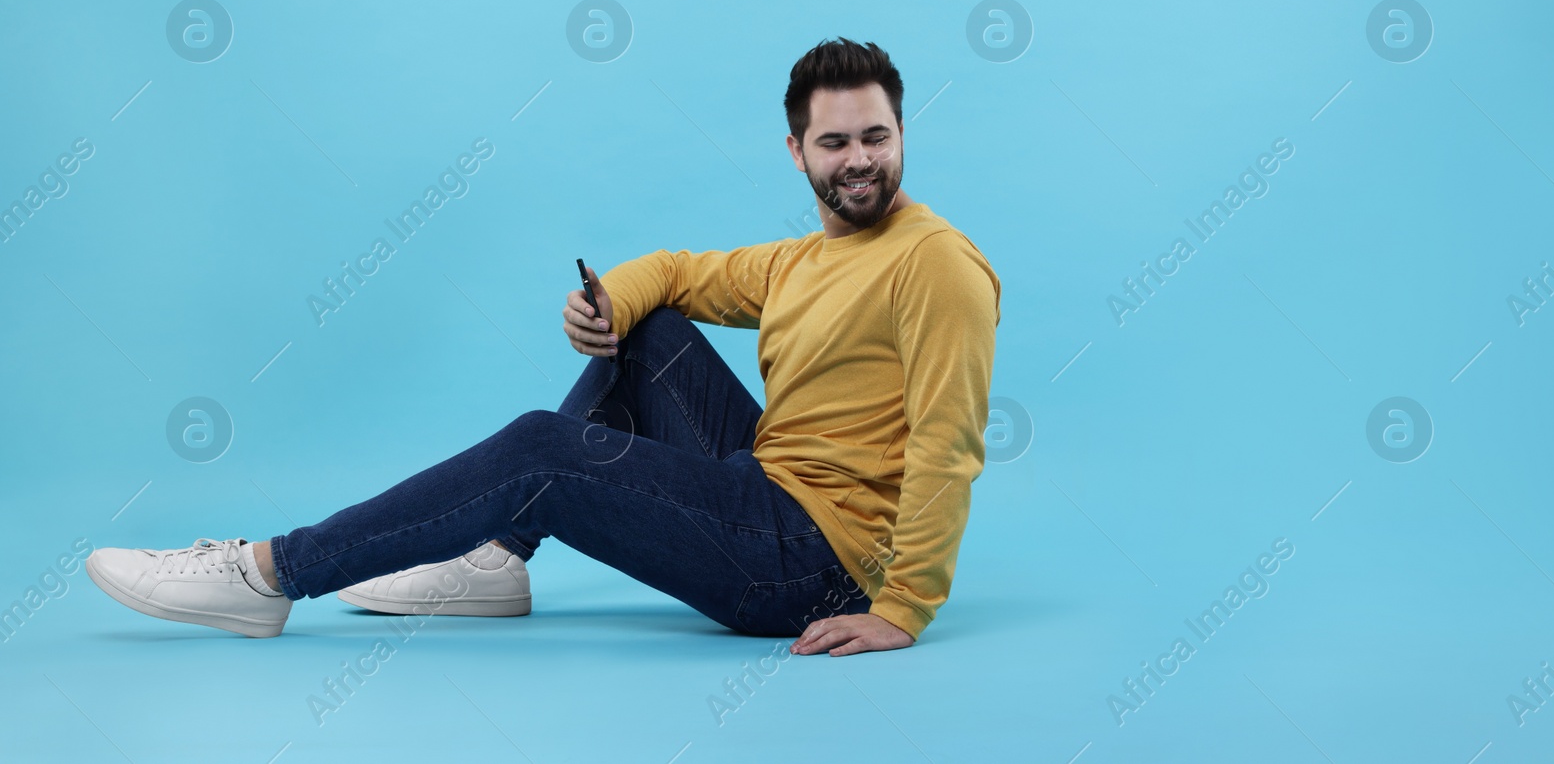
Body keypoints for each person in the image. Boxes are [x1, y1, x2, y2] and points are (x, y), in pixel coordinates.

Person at [86, 38, 1001, 657]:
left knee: (539, 447)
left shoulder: (936, 264)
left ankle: (269, 572)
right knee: (651, 328)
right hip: (771, 491)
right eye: (834, 141)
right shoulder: (805, 258)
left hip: (813, 564)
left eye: (875, 136)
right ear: (796, 152)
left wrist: (900, 609)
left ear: (903, 136)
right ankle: (499, 559)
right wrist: (603, 306)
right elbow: (679, 272)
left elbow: (949, 443)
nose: (858, 159)